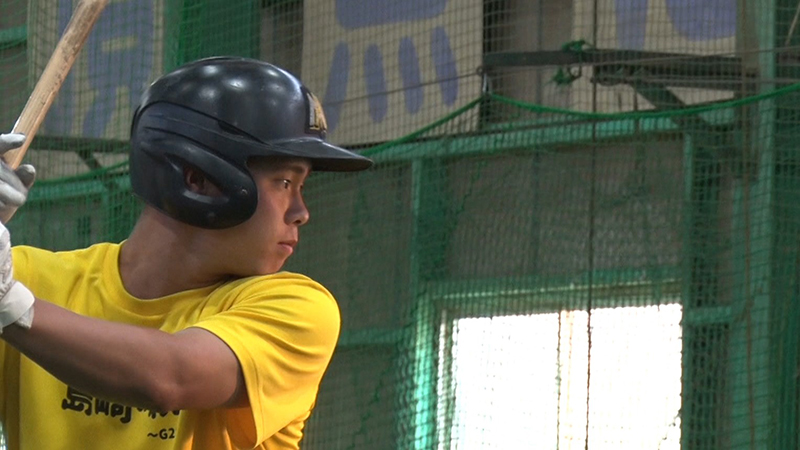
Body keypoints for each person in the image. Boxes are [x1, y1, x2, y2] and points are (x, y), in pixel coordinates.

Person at [0, 56, 372, 449]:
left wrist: (12, 305)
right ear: (197, 178)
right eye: (284, 183)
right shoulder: (28, 276)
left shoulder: (298, 309)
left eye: (300, 186)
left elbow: (169, 379)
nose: (301, 213)